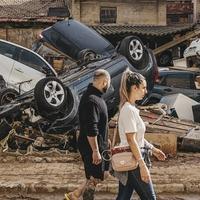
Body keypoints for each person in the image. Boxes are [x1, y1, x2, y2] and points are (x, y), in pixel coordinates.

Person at [115, 69, 166, 200]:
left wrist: (153, 149)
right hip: (134, 160)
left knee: (123, 196)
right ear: (134, 87)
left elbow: (138, 138)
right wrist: (142, 165)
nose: (146, 91)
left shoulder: (131, 109)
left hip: (133, 157)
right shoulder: (128, 110)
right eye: (143, 88)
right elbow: (131, 140)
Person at [65, 69, 111, 200]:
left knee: (95, 176)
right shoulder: (92, 100)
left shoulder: (95, 98)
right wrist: (95, 150)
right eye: (108, 83)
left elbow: (99, 125)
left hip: (97, 145)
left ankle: (74, 195)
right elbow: (91, 128)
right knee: (94, 178)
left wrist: (105, 140)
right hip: (91, 146)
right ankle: (81, 196)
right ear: (104, 82)